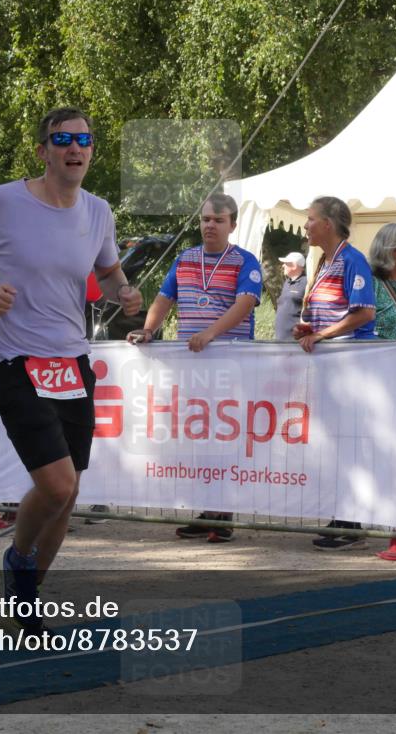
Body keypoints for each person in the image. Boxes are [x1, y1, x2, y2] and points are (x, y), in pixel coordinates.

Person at [0, 106, 142, 635]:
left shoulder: (98, 211)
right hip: (13, 358)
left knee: (70, 492)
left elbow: (108, 271)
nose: (75, 148)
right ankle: (18, 558)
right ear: (43, 151)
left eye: (84, 140)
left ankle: (28, 594)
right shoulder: (2, 202)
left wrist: (125, 291)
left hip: (71, 359)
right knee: (56, 486)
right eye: (62, 140)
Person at [127, 192, 263, 543]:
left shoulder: (245, 261)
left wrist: (211, 333)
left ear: (232, 225)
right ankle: (206, 509)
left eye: (218, 220)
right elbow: (163, 298)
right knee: (199, 438)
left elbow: (245, 304)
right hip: (192, 368)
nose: (209, 226)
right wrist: (148, 330)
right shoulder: (185, 259)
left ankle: (224, 514)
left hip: (230, 366)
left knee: (227, 438)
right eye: (205, 219)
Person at [293, 196, 376, 550]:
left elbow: (364, 313)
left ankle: (353, 522)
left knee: (349, 442)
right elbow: (329, 314)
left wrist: (322, 335)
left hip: (350, 365)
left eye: (311, 219)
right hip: (329, 365)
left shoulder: (352, 260)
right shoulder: (324, 262)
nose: (306, 225)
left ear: (327, 224)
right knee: (336, 442)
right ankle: (342, 514)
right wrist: (309, 329)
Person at [275, 251, 307, 341]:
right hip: (280, 338)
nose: (283, 266)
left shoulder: (306, 283)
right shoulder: (287, 282)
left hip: (295, 340)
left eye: (286, 263)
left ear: (294, 266)